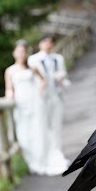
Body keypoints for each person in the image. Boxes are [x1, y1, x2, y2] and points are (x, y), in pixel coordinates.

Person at [28, 34, 70, 176]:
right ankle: (45, 156)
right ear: (40, 44)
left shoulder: (59, 59)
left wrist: (61, 79)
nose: (48, 45)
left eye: (50, 42)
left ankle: (57, 153)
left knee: (57, 126)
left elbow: (64, 77)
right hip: (41, 99)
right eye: (45, 42)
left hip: (56, 96)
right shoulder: (33, 59)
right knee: (44, 127)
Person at [4, 39, 47, 174]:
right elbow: (9, 88)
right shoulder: (9, 71)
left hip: (34, 102)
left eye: (24, 51)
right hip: (21, 104)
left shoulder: (32, 67)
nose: (22, 54)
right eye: (19, 51)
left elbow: (44, 80)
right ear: (14, 53)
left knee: (36, 131)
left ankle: (39, 160)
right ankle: (30, 161)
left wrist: (39, 89)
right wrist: (9, 95)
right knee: (23, 133)